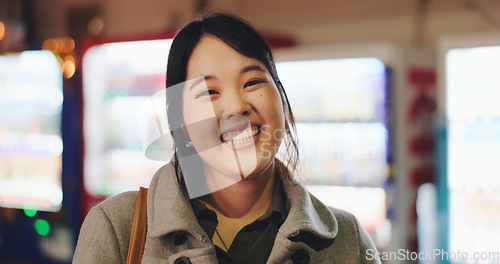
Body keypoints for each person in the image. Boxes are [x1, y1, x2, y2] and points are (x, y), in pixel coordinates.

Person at [73, 13, 381, 264]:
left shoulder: (347, 240)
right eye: (209, 92)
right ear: (179, 120)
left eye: (252, 81)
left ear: (282, 100)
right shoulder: (117, 229)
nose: (236, 107)